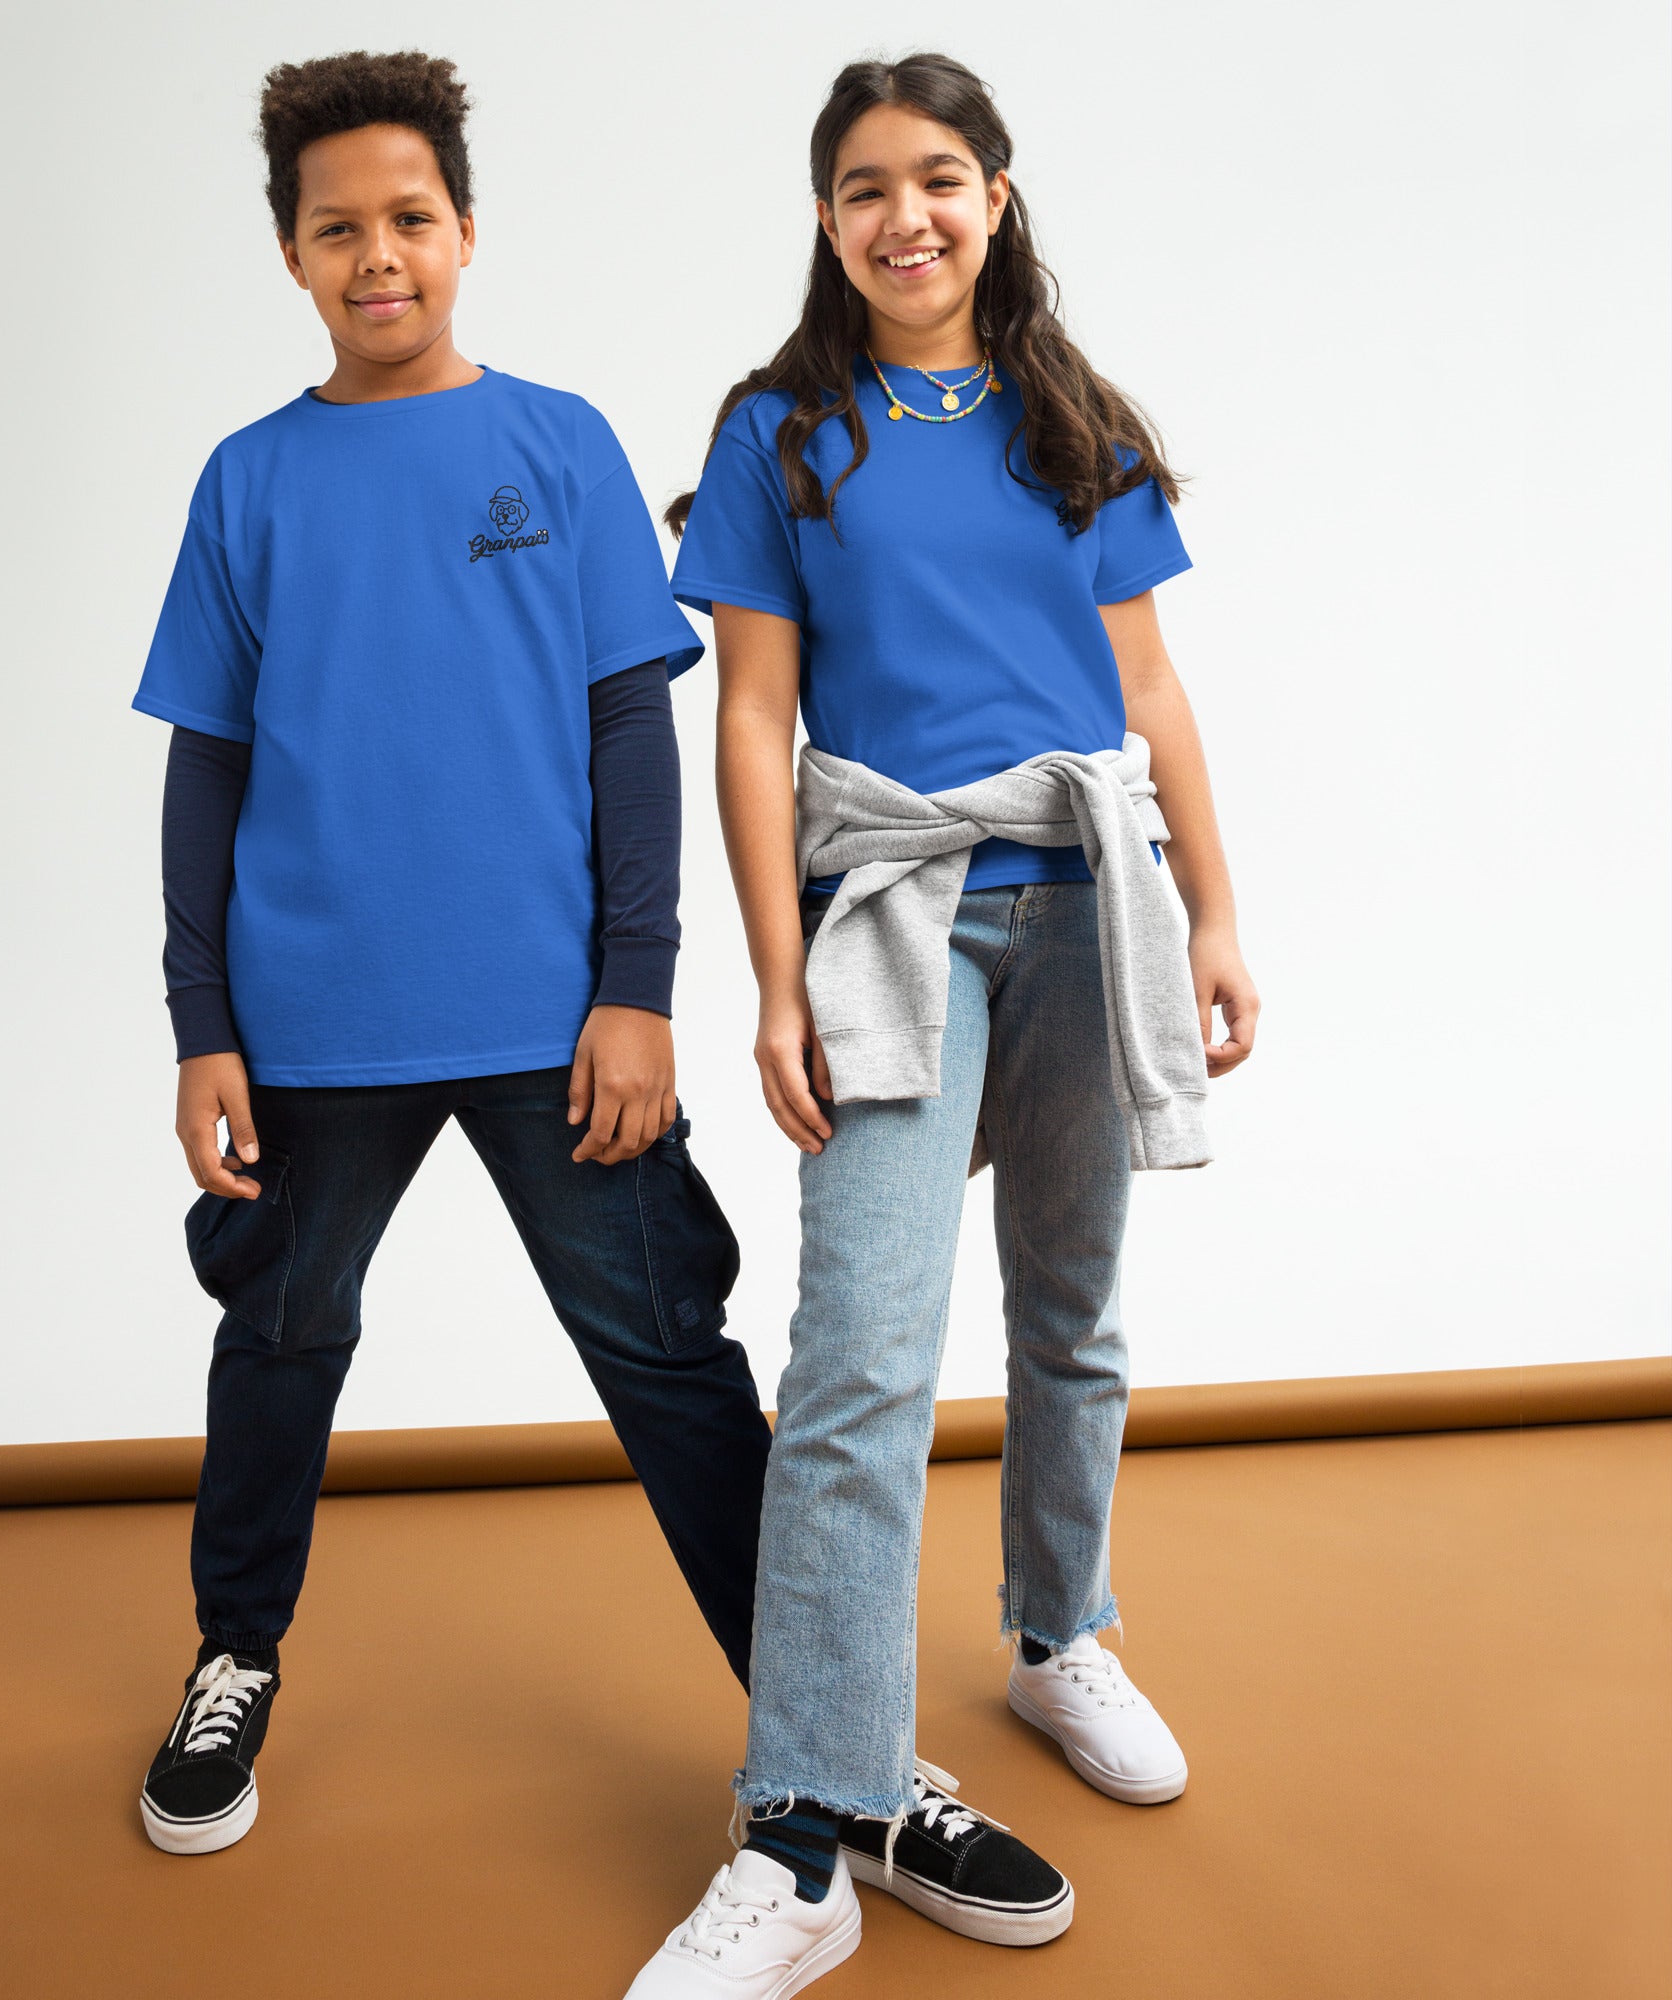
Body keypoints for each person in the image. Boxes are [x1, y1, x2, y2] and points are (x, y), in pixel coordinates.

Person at [626, 51, 1260, 1995]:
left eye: (938, 177)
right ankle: (806, 1830)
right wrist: (764, 973)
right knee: (859, 1360)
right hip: (893, 907)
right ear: (822, 222)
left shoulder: (1077, 422)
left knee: (1069, 1304)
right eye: (859, 188)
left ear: (996, 194)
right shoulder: (780, 434)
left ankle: (1060, 1630)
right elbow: (747, 718)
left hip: (1091, 902)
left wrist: (1218, 907)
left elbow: (1147, 693)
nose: (903, 215)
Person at [127, 49, 774, 1859]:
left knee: (672, 1360)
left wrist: (635, 985)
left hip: (555, 1021)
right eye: (339, 229)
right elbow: (209, 767)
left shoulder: (555, 442)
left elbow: (629, 728)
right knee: (278, 1336)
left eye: (411, 218)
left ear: (467, 232)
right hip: (312, 1020)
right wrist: (203, 1024)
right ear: (292, 257)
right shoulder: (248, 481)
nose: (379, 254)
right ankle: (234, 1656)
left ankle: (827, 1726)